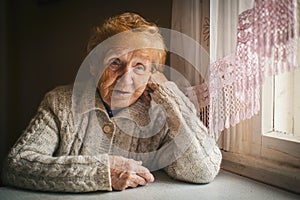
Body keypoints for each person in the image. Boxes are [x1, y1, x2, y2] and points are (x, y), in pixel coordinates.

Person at [2, 12, 222, 192]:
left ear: (151, 76)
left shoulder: (160, 115)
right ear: (94, 66)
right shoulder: (61, 103)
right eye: (115, 63)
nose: (126, 78)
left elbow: (202, 170)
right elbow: (16, 165)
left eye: (139, 67)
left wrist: (169, 95)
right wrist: (103, 171)